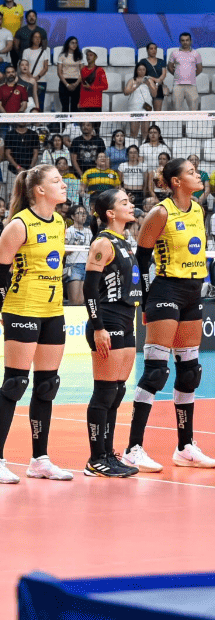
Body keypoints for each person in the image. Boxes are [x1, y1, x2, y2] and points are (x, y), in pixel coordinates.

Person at [123, 158, 215, 473]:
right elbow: (141, 256)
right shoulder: (161, 212)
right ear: (176, 182)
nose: (197, 174)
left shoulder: (199, 210)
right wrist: (147, 301)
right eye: (190, 172)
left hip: (192, 294)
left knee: (189, 372)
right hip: (166, 292)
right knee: (155, 372)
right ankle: (133, 448)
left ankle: (185, 446)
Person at [0, 165, 72, 484]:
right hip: (22, 308)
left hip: (53, 310)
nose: (63, 185)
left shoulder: (60, 221)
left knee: (47, 385)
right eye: (56, 181)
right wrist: (8, 311)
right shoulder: (20, 224)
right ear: (39, 190)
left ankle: (40, 460)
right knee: (15, 384)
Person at [82, 189, 142, 478]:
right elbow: (89, 289)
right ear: (110, 213)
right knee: (104, 393)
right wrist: (98, 327)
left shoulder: (124, 242)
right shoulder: (103, 243)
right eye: (124, 203)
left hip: (125, 322)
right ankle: (95, 459)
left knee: (117, 392)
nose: (131, 206)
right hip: (107, 323)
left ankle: (108, 453)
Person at [169, 32, 203, 112]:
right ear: (180, 41)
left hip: (192, 85)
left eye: (187, 40)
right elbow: (170, 67)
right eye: (183, 40)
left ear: (191, 41)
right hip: (177, 85)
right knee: (176, 110)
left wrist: (191, 76)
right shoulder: (174, 53)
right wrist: (178, 76)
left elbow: (200, 69)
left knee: (194, 110)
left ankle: (192, 125)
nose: (185, 42)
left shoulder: (196, 53)